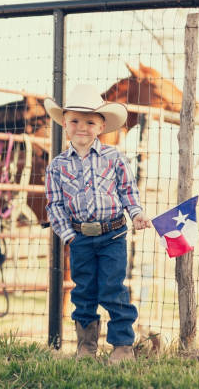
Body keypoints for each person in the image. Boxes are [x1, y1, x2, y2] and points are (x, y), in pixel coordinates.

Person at [44, 84, 152, 364]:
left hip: (113, 235)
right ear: (64, 125)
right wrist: (69, 236)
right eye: (75, 121)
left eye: (90, 122)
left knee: (113, 288)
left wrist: (136, 213)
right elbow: (54, 205)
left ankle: (122, 346)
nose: (82, 127)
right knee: (84, 292)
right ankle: (86, 346)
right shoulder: (56, 166)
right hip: (80, 239)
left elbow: (128, 191)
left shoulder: (114, 158)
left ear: (101, 126)